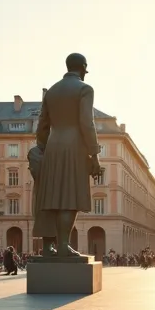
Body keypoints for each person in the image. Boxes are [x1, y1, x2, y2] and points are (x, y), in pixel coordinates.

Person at [35, 53, 105, 257]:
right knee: (69, 197)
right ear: (82, 68)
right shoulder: (85, 89)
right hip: (74, 147)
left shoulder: (51, 91)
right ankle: (64, 245)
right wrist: (94, 154)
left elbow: (42, 125)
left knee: (51, 198)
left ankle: (49, 247)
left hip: (52, 147)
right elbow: (86, 122)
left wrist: (43, 146)